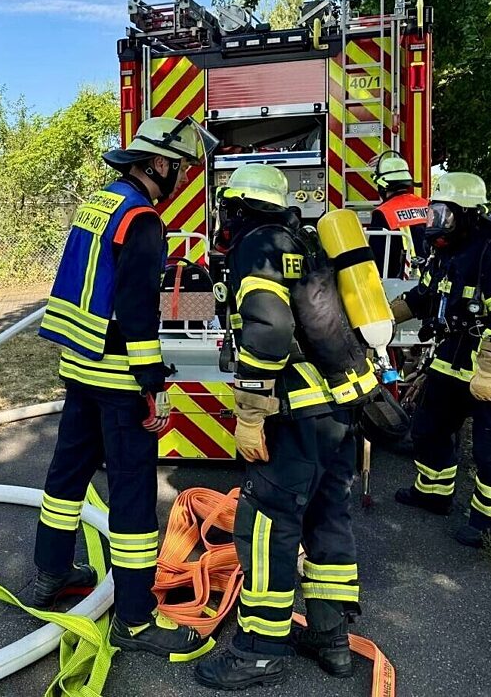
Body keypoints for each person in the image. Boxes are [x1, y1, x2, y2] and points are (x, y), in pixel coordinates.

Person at [28, 116, 213, 657]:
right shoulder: (144, 220)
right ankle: (133, 620)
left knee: (66, 476)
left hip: (79, 367)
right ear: (159, 163)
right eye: (181, 167)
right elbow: (136, 311)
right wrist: (152, 384)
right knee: (132, 498)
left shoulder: (101, 203)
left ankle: (52, 573)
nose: (184, 177)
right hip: (117, 377)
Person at [195, 165, 367, 689]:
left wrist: (250, 413)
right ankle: (331, 639)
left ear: (237, 207)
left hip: (294, 416)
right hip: (337, 409)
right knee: (326, 519)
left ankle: (259, 652)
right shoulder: (304, 242)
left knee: (267, 527)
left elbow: (270, 329)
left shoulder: (257, 245)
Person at [390, 172, 491, 548]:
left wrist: (489, 372)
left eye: (444, 215)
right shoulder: (448, 250)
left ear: (469, 214)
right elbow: (424, 297)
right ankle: (433, 493)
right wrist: (380, 318)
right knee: (429, 427)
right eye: (433, 214)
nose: (436, 223)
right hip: (454, 355)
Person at [367, 153, 429, 278]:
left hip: (399, 280)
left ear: (383, 185)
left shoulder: (382, 213)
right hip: (430, 277)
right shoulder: (426, 205)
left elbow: (378, 256)